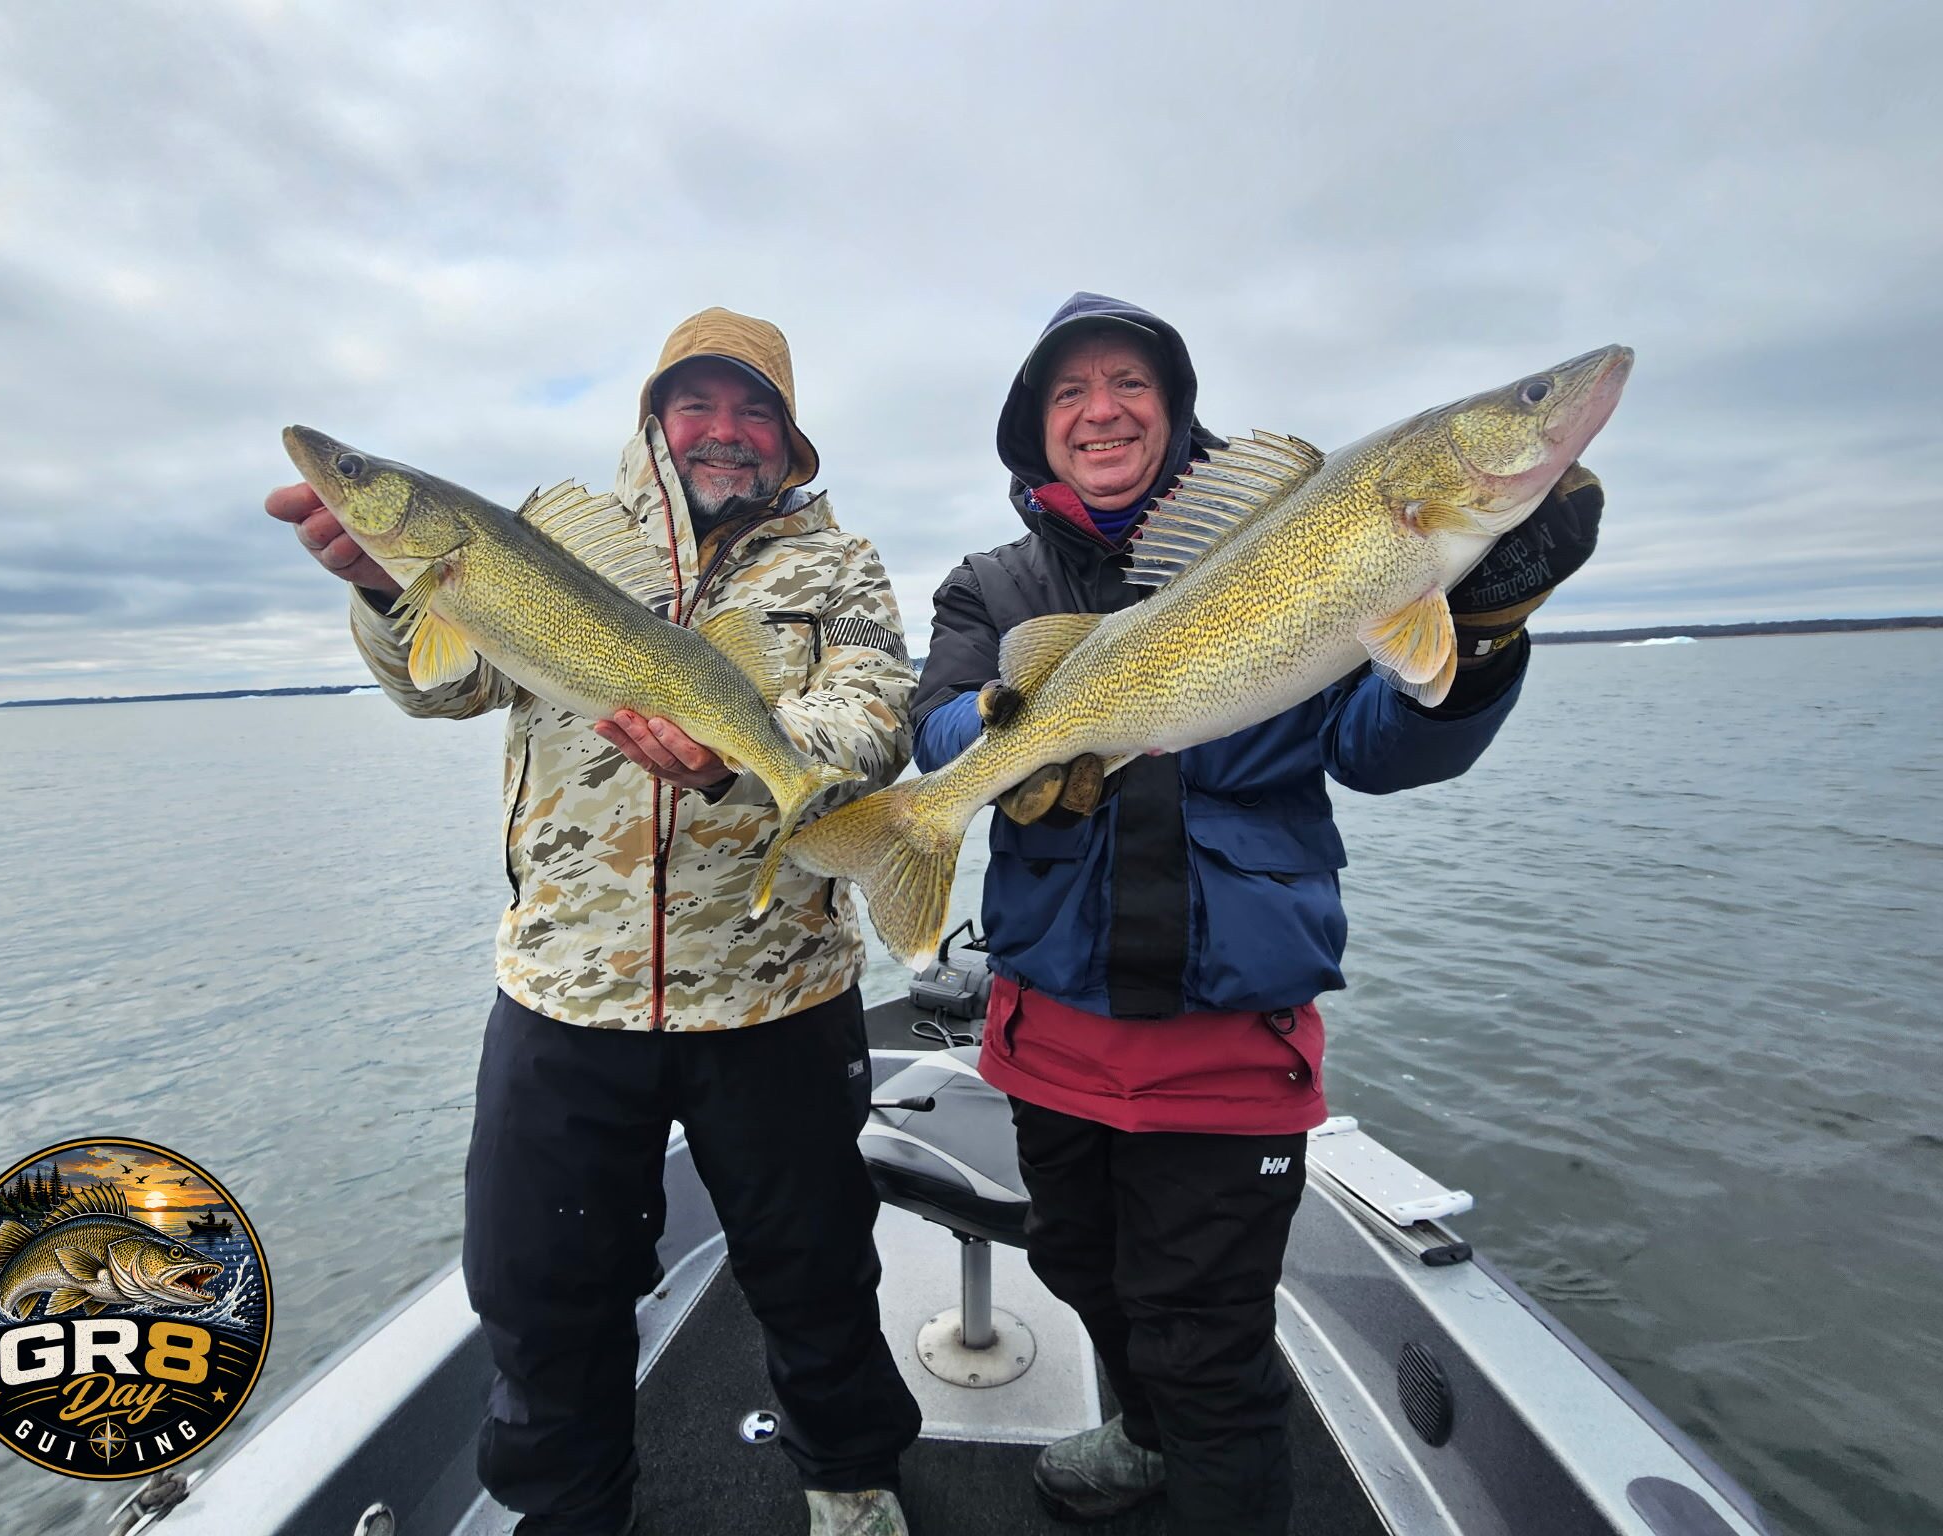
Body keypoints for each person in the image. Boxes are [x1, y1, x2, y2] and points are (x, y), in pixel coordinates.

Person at [910, 292, 1605, 1536]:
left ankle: (1189, 1447)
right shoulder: (990, 585)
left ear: (1173, 408)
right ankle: (1139, 1434)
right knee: (1080, 1268)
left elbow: (1380, 748)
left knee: (1206, 1343)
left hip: (1227, 1042)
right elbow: (938, 725)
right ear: (1035, 425)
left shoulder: (1304, 527)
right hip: (1051, 1029)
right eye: (1068, 392)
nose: (1099, 410)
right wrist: (1012, 732)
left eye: (1127, 382)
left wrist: (1484, 636)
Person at [267, 307, 922, 1536]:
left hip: (776, 987)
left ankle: (850, 1478)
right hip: (567, 992)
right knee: (539, 1291)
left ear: (788, 434)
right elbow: (449, 684)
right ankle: (569, 1512)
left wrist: (746, 764)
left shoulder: (839, 565)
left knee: (816, 1265)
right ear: (653, 418)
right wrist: (381, 588)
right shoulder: (548, 537)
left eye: (752, 409)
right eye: (697, 404)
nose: (723, 432)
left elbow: (875, 713)